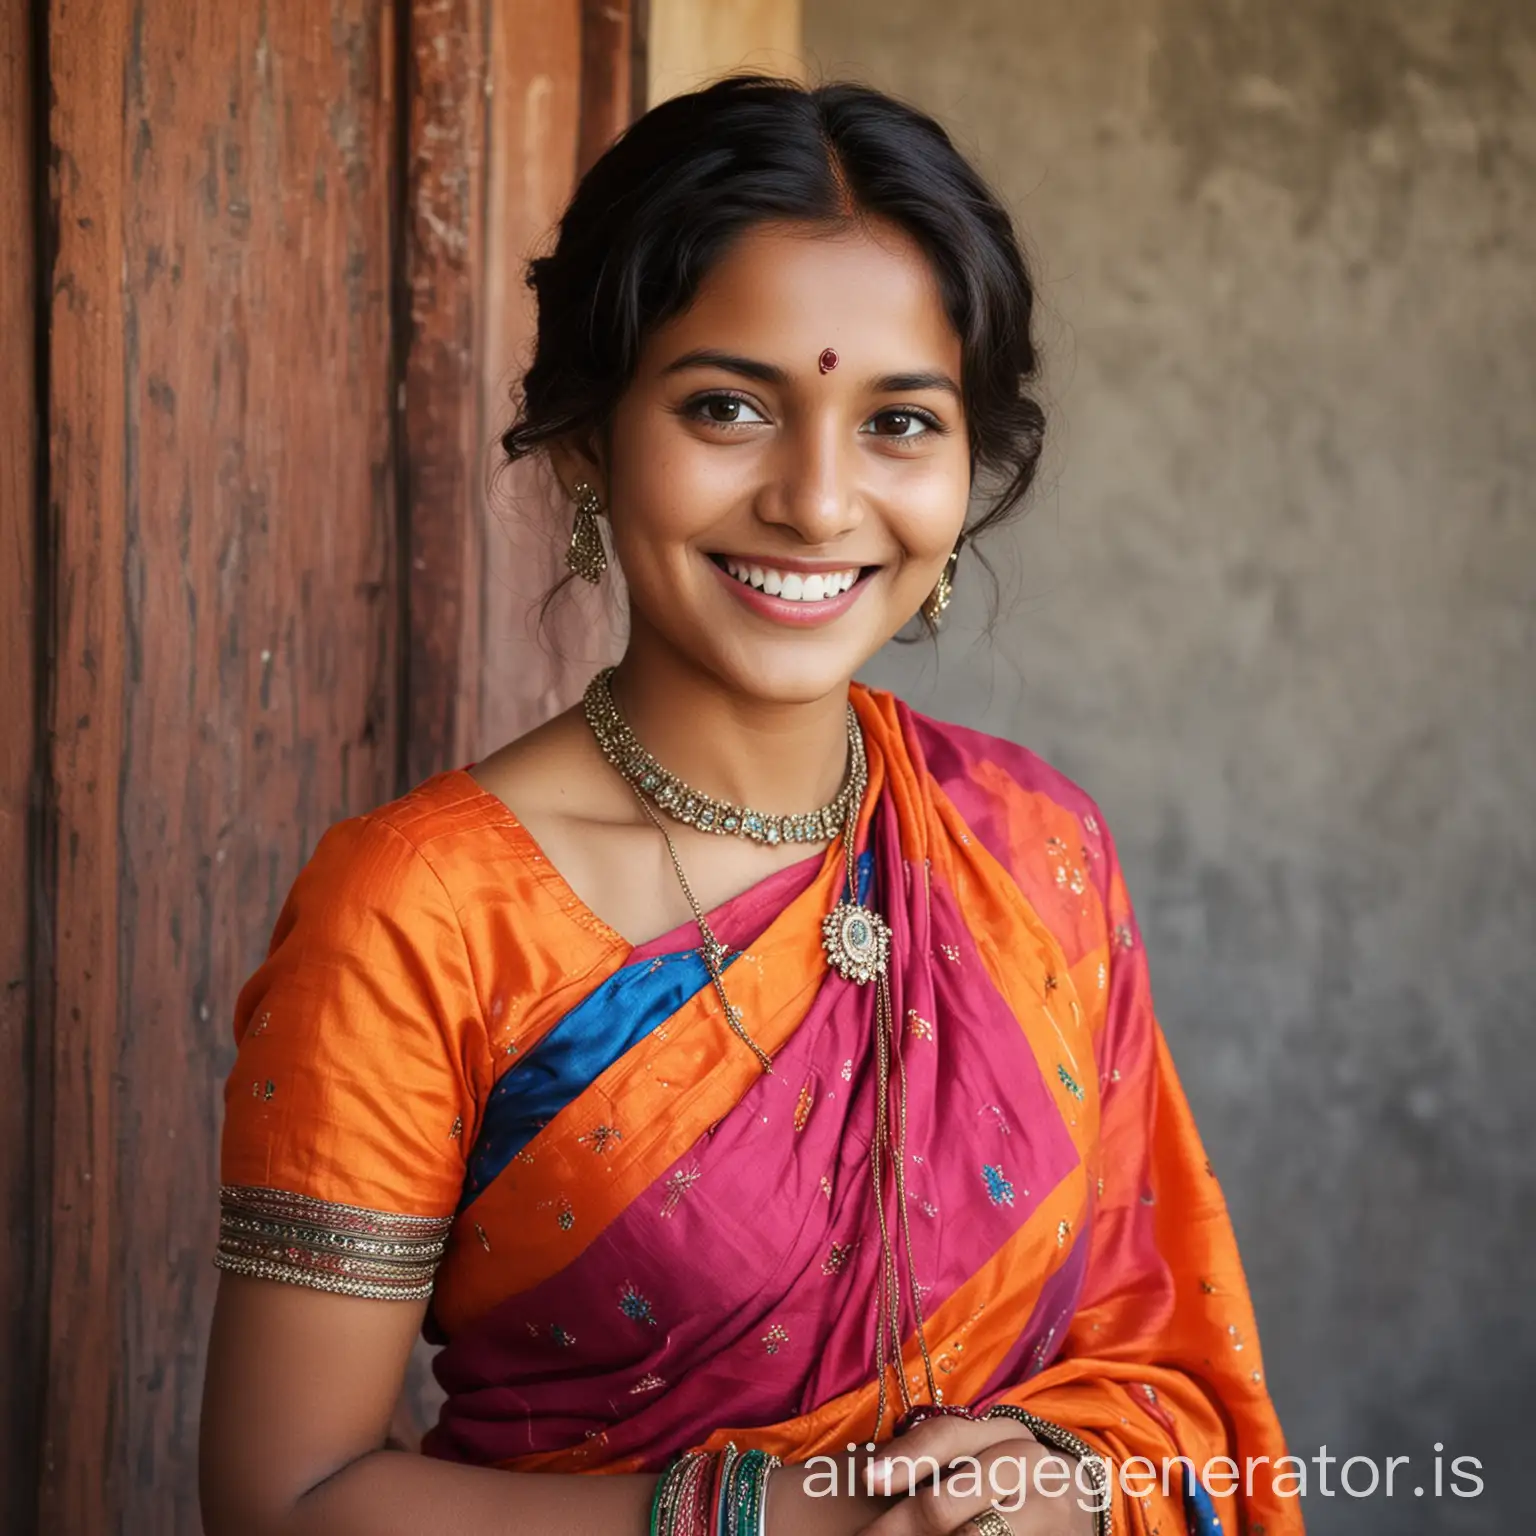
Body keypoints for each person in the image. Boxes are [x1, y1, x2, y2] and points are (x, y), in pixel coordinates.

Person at [199, 73, 1298, 1536]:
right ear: (588, 439)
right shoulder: (424, 913)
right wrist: (787, 1521)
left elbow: (1158, 1363)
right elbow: (287, 1496)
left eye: (900, 423)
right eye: (729, 407)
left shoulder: (1034, 847)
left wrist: (1078, 1478)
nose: (818, 500)